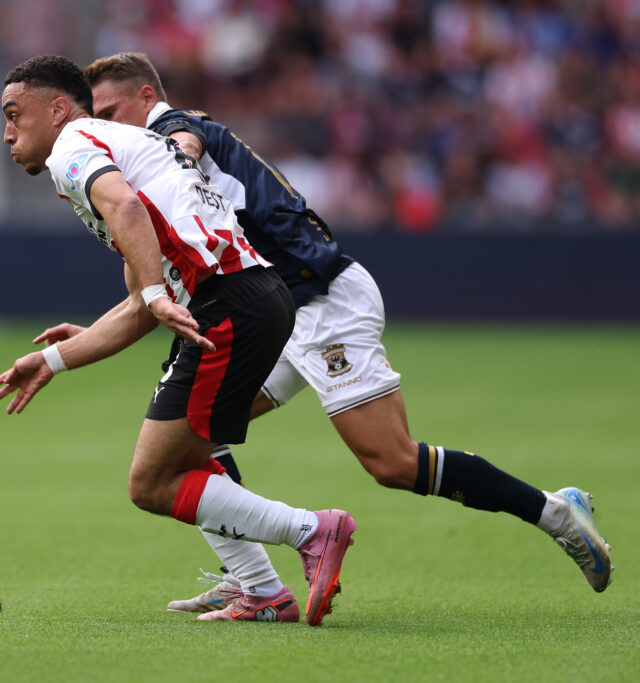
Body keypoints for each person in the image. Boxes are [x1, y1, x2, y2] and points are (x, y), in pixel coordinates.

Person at [31, 52, 614, 612]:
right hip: (267, 308)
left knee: (391, 463)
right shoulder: (143, 163)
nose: (97, 127)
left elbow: (188, 138)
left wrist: (177, 150)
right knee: (189, 438)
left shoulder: (172, 130)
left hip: (318, 297)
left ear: (147, 97)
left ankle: (556, 512)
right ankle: (252, 583)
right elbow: (143, 291)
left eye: (105, 115)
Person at [0, 54, 357, 626]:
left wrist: (159, 294)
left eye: (15, 114)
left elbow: (126, 211)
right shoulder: (120, 147)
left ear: (57, 109)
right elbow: (140, 306)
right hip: (252, 297)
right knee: (193, 456)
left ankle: (313, 531)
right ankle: (263, 591)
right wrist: (53, 359)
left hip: (228, 303)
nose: (7, 132)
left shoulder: (75, 145)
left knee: (151, 482)